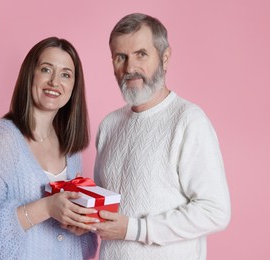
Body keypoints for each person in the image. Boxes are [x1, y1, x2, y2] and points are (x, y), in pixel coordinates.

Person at [92, 13, 231, 260]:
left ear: (165, 58)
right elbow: (107, 211)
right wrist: (83, 222)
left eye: (141, 54)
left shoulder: (188, 121)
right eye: (120, 57)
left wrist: (135, 229)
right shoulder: (109, 125)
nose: (129, 68)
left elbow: (215, 211)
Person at [0, 37, 98, 260]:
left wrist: (80, 225)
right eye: (46, 69)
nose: (55, 82)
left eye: (66, 74)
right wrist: (46, 208)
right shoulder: (0, 139)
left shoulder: (70, 149)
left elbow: (75, 241)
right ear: (31, 75)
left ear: (74, 87)